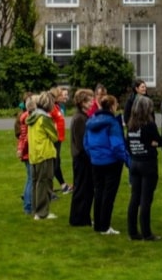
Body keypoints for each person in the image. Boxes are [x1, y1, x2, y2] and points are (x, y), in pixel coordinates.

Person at [85, 94, 130, 235]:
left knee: (99, 191)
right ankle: (104, 226)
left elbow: (85, 142)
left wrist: (93, 155)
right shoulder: (112, 123)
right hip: (111, 161)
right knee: (108, 194)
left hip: (96, 161)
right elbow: (117, 145)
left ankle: (98, 224)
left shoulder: (91, 120)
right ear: (112, 106)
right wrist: (126, 160)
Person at [126, 96, 161, 241]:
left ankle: (133, 231)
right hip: (148, 162)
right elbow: (158, 140)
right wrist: (152, 143)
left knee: (135, 198)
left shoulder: (131, 124)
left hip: (134, 162)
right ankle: (146, 233)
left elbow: (127, 143)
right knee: (146, 199)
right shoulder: (149, 125)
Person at [29, 92, 59, 220]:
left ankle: (36, 210)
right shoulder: (45, 118)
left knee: (36, 183)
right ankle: (42, 212)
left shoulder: (32, 117)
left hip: (34, 154)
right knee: (45, 183)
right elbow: (54, 136)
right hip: (45, 153)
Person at [68, 89, 94, 227]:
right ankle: (77, 218)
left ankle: (83, 216)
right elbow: (80, 142)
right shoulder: (80, 118)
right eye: (89, 100)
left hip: (82, 157)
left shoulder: (83, 116)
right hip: (81, 158)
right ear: (82, 102)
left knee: (86, 189)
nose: (92, 103)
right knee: (81, 188)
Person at [16, 95, 36, 216]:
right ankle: (28, 206)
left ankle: (29, 205)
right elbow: (26, 138)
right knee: (31, 180)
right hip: (28, 153)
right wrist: (22, 151)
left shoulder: (24, 117)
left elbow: (22, 137)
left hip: (25, 152)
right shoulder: (28, 119)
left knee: (30, 179)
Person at [49, 87, 71, 194]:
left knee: (56, 163)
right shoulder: (52, 108)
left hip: (59, 139)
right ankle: (58, 187)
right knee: (55, 163)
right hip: (55, 139)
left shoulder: (57, 107)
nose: (65, 96)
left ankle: (61, 186)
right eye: (63, 94)